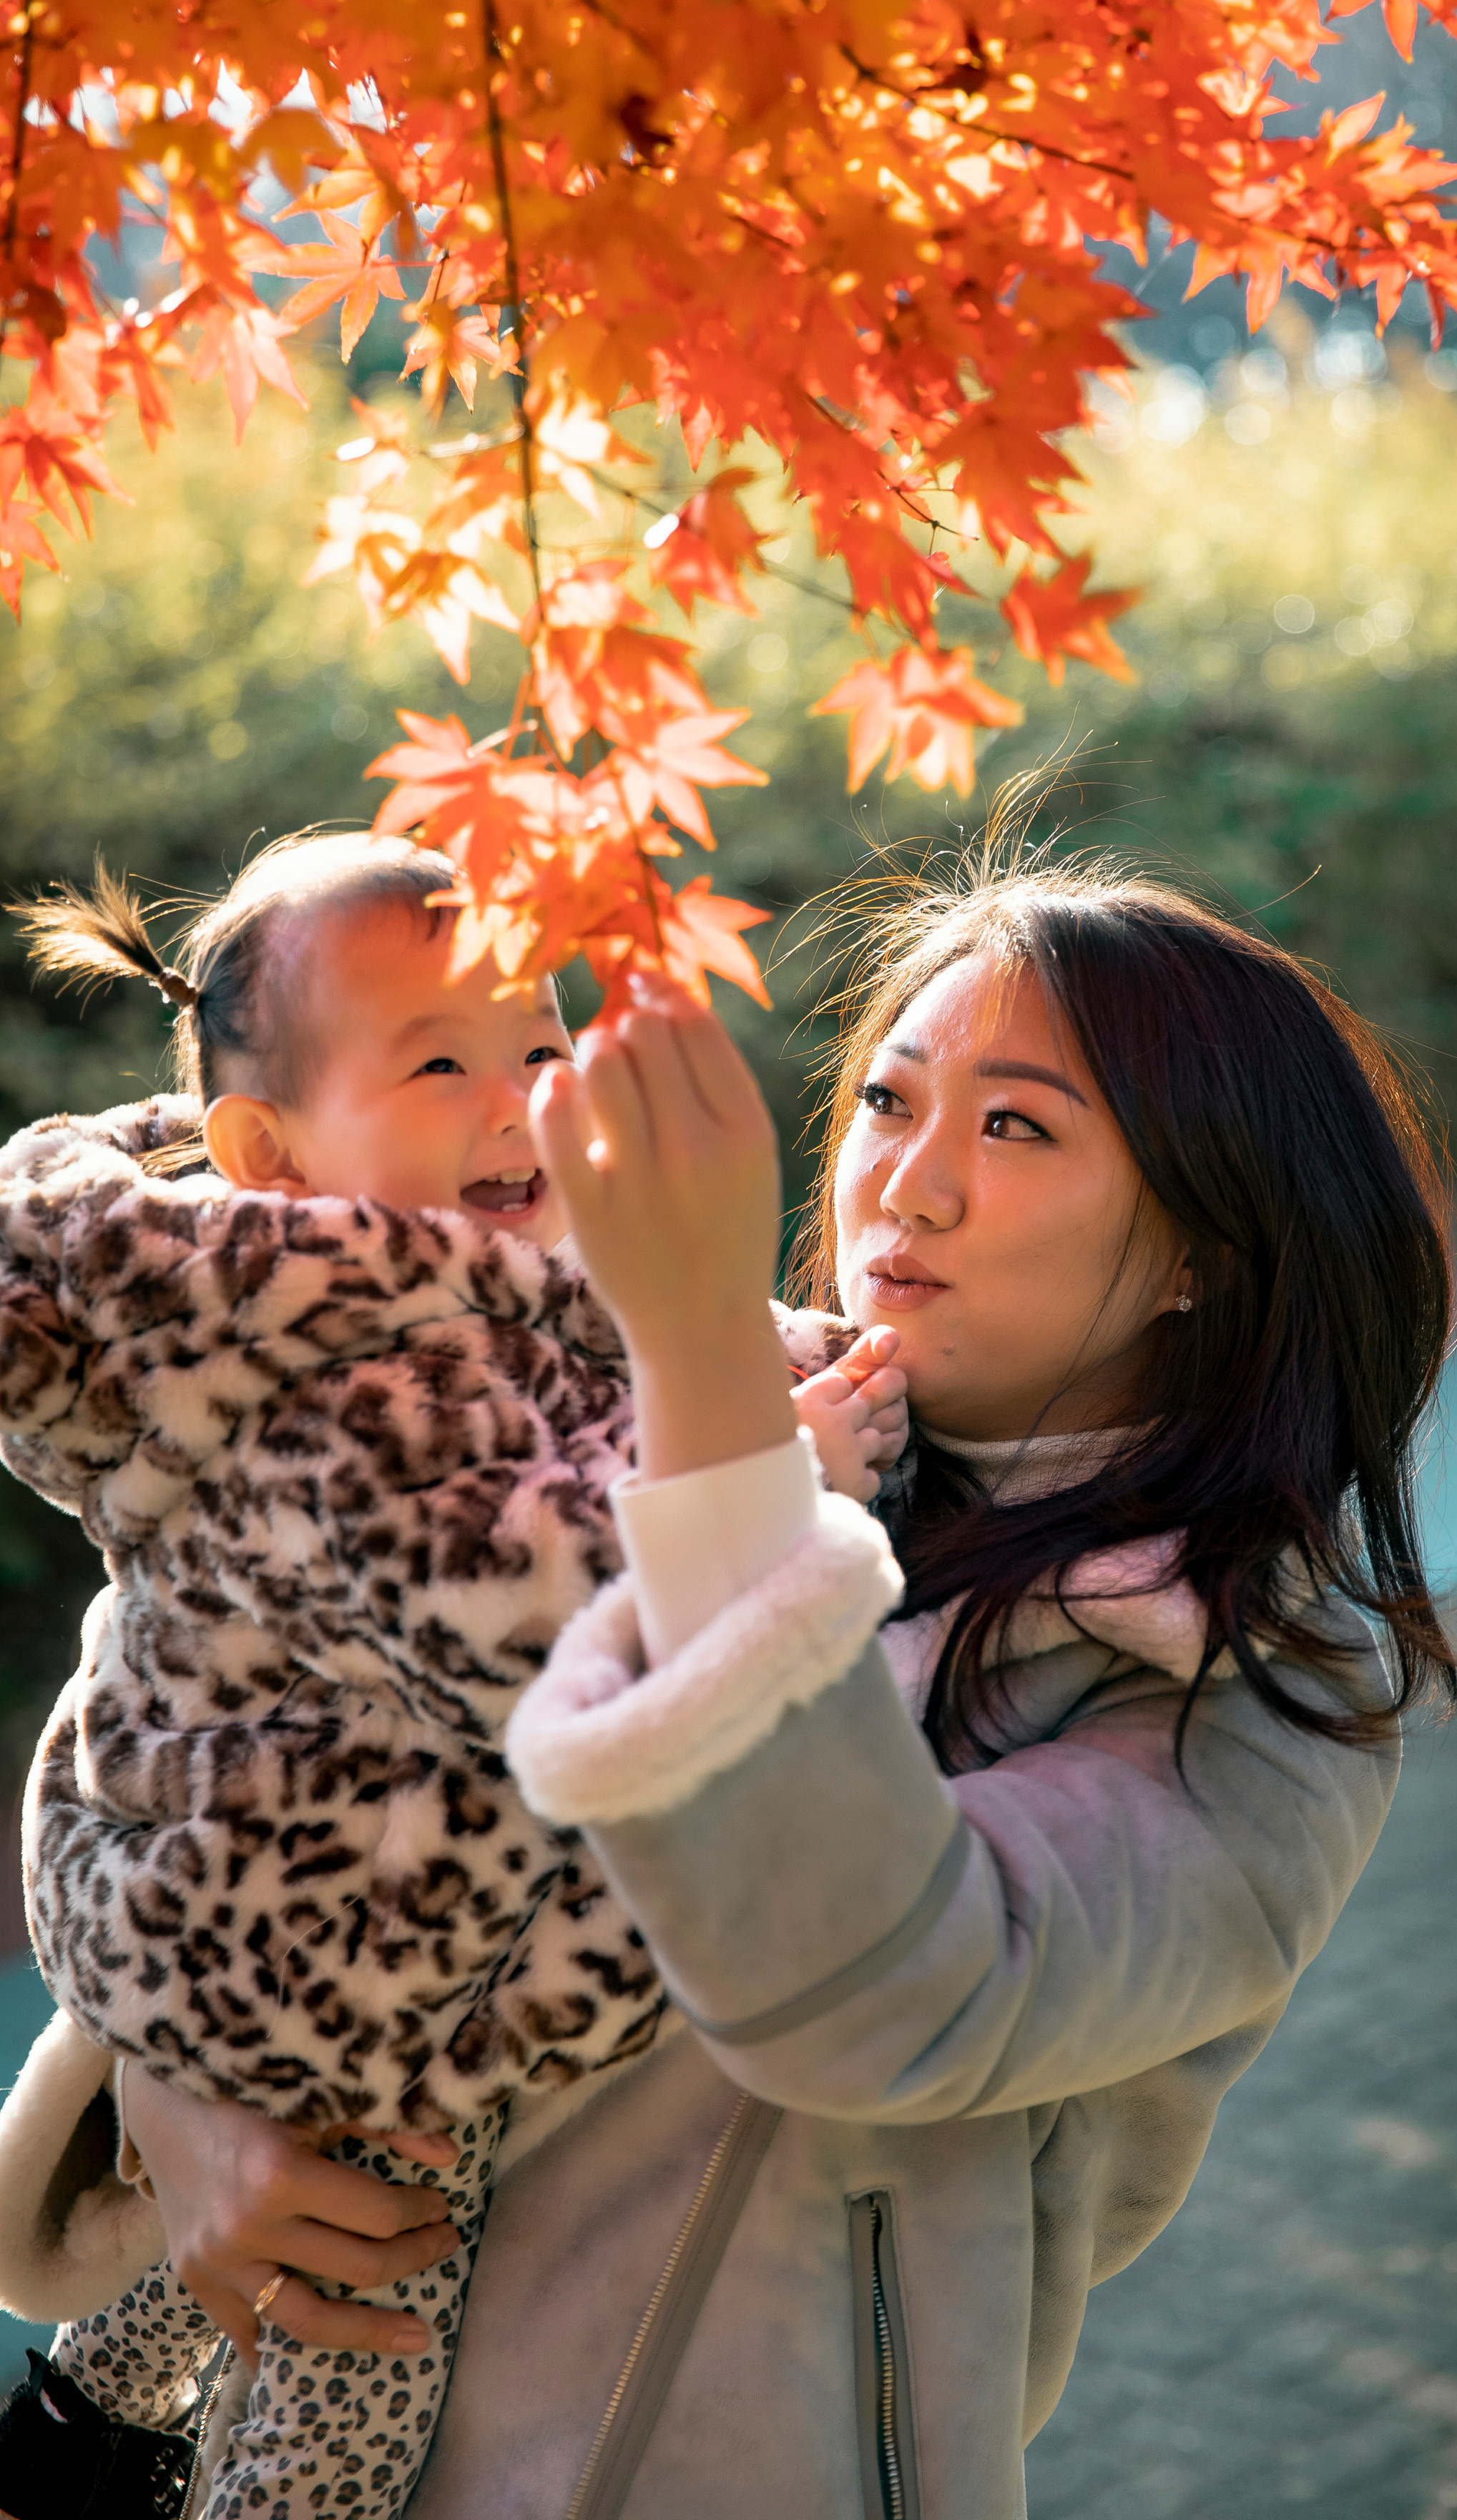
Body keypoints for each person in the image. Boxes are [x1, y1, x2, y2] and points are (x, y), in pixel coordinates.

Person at [1, 854, 1457, 2520]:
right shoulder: (676, 1402)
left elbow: (889, 1996)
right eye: (888, 1101)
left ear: (1208, 1242)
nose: (902, 1189)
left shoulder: (1242, 1685)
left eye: (1014, 1127)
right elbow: (229, 1734)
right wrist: (172, 2085)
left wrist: (703, 1394)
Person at [0, 833, 905, 2520]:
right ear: (266, 1153)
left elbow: (606, 1369)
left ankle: (74, 2432)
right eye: (441, 1064)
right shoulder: (343, 1367)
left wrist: (761, 1357)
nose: (521, 1106)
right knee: (351, 2365)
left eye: (542, 1051)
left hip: (322, 1937)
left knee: (203, 2296)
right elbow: (518, 1609)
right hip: (338, 1968)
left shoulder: (420, 1287)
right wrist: (785, 1466)